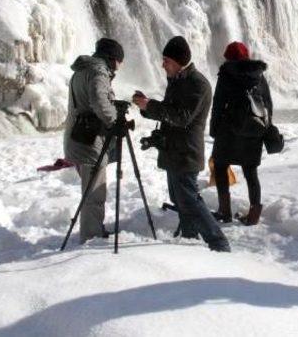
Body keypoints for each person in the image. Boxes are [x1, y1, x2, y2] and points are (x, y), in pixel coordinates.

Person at [132, 36, 230, 252]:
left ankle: (218, 242)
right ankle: (190, 239)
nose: (162, 64)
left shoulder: (198, 84)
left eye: (166, 60)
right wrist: (146, 107)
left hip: (186, 152)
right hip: (173, 151)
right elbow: (168, 112)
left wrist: (151, 105)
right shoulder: (178, 81)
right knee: (180, 198)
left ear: (178, 61)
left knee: (190, 200)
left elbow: (182, 117)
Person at [64, 38, 123, 244]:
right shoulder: (99, 73)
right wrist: (115, 121)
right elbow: (99, 101)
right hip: (89, 141)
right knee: (94, 193)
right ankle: (91, 237)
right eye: (119, 61)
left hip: (76, 137)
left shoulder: (81, 70)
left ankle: (93, 228)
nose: (120, 67)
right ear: (112, 59)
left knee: (90, 189)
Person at [210, 42, 273, 225]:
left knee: (221, 167)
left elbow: (218, 104)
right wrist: (266, 128)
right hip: (253, 130)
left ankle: (224, 211)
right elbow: (268, 104)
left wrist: (214, 129)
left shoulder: (226, 74)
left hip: (228, 131)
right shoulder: (259, 75)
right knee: (251, 172)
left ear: (228, 57)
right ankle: (254, 215)